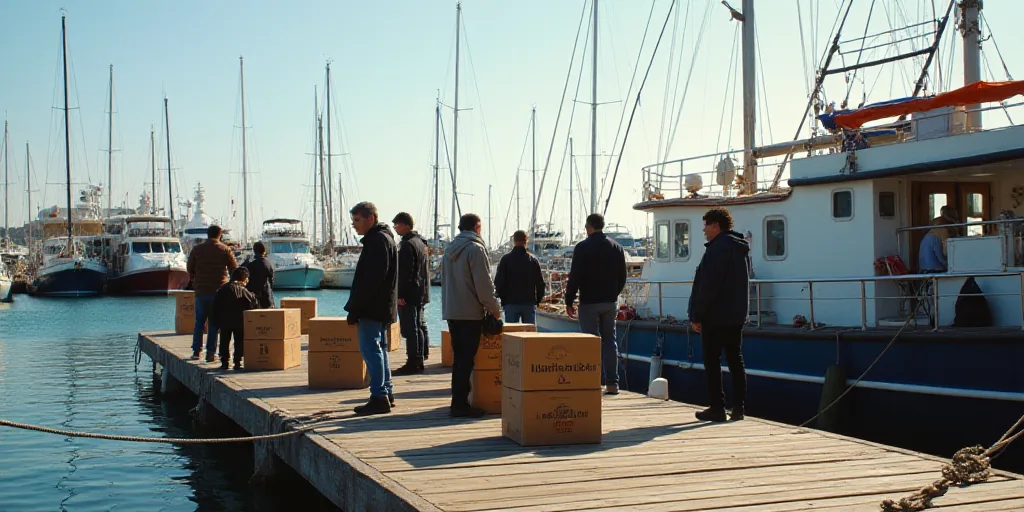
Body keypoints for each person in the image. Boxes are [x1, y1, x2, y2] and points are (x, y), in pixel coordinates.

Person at [688, 207, 750, 423]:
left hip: (715, 316)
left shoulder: (717, 249)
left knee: (712, 361)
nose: (704, 230)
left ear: (716, 226)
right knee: (735, 360)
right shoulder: (739, 249)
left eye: (706, 225)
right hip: (736, 315)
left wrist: (696, 315)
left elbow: (708, 286)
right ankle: (739, 408)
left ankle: (717, 407)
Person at [441, 213, 501, 418]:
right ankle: (460, 404)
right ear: (477, 227)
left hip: (452, 310)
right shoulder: (475, 249)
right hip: (470, 313)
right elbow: (484, 286)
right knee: (466, 360)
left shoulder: (448, 250)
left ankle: (458, 400)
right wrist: (495, 309)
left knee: (460, 359)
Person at [345, 202, 399, 416]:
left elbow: (371, 280)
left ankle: (379, 396)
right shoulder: (385, 239)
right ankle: (386, 392)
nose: (354, 225)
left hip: (373, 306)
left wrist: (355, 308)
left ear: (370, 219)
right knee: (380, 349)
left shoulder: (377, 242)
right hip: (383, 306)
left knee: (371, 349)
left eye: (357, 220)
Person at [565, 213, 627, 395]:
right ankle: (612, 383)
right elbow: (622, 276)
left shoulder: (582, 247)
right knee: (610, 341)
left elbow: (574, 276)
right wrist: (613, 294)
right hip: (609, 301)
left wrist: (569, 300)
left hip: (589, 302)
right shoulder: (616, 247)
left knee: (590, 343)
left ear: (589, 226)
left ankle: (592, 381)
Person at [186, 225, 238, 362]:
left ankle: (196, 351)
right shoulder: (225, 250)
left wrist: (195, 279)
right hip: (219, 292)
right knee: (214, 323)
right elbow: (234, 270)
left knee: (199, 322)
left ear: (207, 235)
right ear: (220, 235)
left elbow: (189, 268)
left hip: (201, 290)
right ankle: (210, 353)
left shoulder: (197, 249)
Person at [392, 212, 432, 375]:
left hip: (410, 293)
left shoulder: (408, 245)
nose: (395, 229)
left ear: (406, 225)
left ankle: (414, 362)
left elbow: (405, 272)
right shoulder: (422, 243)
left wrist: (400, 294)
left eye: (397, 225)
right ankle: (422, 355)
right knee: (420, 324)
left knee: (411, 328)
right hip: (422, 291)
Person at [211, 267, 259, 370]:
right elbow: (254, 302)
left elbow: (215, 306)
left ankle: (225, 362)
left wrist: (216, 321)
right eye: (247, 278)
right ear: (243, 278)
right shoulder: (242, 290)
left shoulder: (222, 289)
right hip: (239, 321)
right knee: (239, 341)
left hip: (224, 320)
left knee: (224, 341)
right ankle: (237, 362)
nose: (248, 281)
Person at [494, 230, 545, 323]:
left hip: (511, 302)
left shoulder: (505, 260)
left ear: (514, 241)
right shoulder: (533, 260)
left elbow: (499, 282)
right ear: (526, 241)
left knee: (511, 334)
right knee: (529, 334)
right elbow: (540, 283)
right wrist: (537, 300)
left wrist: (503, 299)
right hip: (528, 302)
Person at [245, 241, 276, 308]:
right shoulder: (269, 263)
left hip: (253, 297)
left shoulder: (250, 264)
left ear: (254, 250)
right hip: (267, 296)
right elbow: (271, 281)